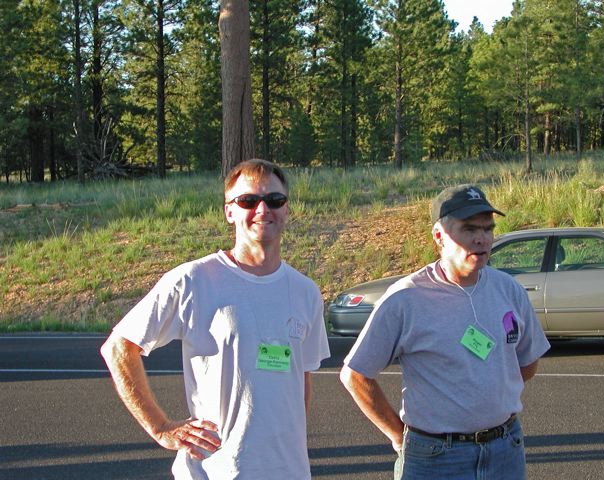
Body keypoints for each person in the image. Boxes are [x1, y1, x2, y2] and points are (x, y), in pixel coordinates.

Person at [101, 159, 330, 479]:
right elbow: (118, 348)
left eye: (274, 200)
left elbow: (300, 378)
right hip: (216, 470)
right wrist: (161, 427)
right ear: (229, 212)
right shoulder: (193, 280)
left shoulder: (306, 292)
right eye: (248, 201)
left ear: (287, 209)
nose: (263, 210)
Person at [340, 184, 550, 480]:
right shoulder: (406, 299)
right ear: (439, 236)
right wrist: (400, 437)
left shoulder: (508, 290)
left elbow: (526, 363)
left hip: (505, 448)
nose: (481, 239)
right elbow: (356, 375)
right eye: (469, 229)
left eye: (488, 229)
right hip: (435, 458)